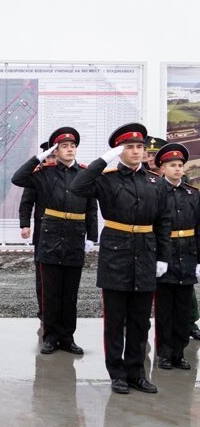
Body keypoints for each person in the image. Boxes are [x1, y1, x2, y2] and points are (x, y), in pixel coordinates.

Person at [70, 123, 171, 395]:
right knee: (115, 319)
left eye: (140, 147)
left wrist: (163, 257)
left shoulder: (155, 181)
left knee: (140, 320)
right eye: (130, 147)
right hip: (117, 253)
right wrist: (104, 158)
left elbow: (164, 221)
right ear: (120, 151)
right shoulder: (106, 178)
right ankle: (117, 374)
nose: (137, 151)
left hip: (147, 254)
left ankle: (137, 373)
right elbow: (78, 187)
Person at [12, 127, 98, 355]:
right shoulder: (44, 173)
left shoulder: (84, 173)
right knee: (50, 291)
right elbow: (18, 179)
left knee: (70, 292)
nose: (69, 149)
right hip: (49, 236)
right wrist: (39, 158)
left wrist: (92, 236)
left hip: (75, 236)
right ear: (55, 150)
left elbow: (91, 207)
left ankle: (68, 337)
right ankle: (50, 336)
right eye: (64, 146)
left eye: (72, 146)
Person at [152, 143, 199, 370]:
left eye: (180, 165)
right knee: (164, 309)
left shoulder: (192, 194)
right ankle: (164, 353)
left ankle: (179, 353)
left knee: (182, 309)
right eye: (173, 165)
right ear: (162, 168)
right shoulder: (155, 191)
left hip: (187, 255)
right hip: (165, 255)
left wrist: (199, 261)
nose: (178, 169)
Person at [19, 141, 55, 320]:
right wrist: (25, 225)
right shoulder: (36, 176)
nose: (52, 160)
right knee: (43, 276)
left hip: (66, 232)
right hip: (43, 232)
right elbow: (27, 202)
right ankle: (44, 313)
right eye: (49, 157)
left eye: (54, 157)